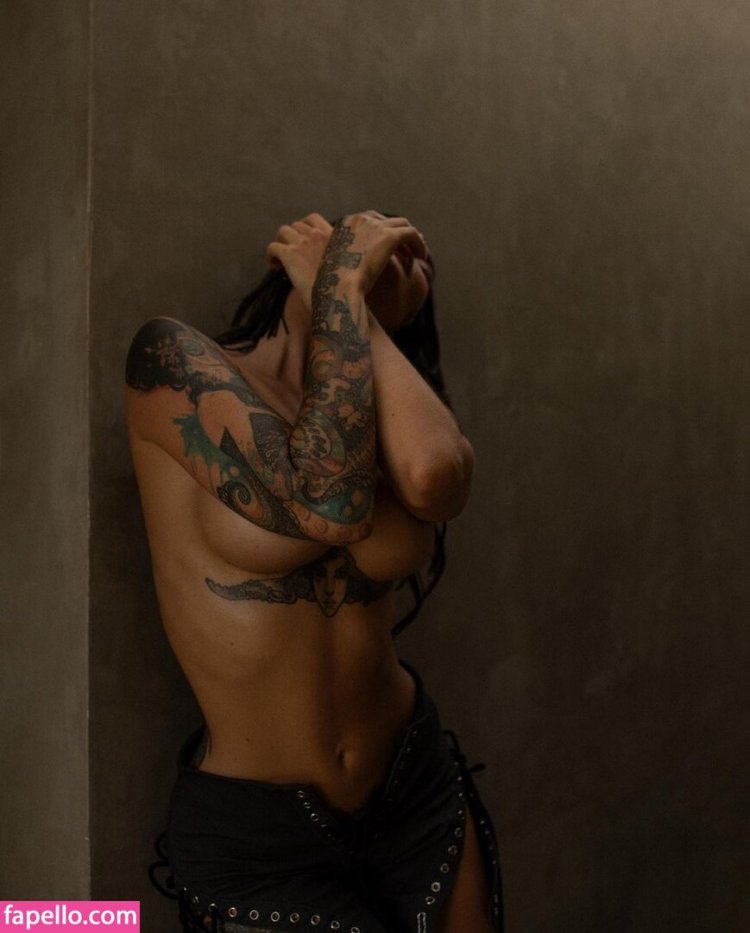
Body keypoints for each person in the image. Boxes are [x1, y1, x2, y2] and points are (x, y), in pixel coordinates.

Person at [126, 211, 502, 933]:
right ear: (295, 262)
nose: (409, 258)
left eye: (418, 265)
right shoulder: (175, 363)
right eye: (378, 245)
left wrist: (351, 298)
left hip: (412, 785)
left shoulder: (392, 418)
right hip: (263, 836)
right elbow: (327, 503)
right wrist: (342, 286)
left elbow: (434, 478)